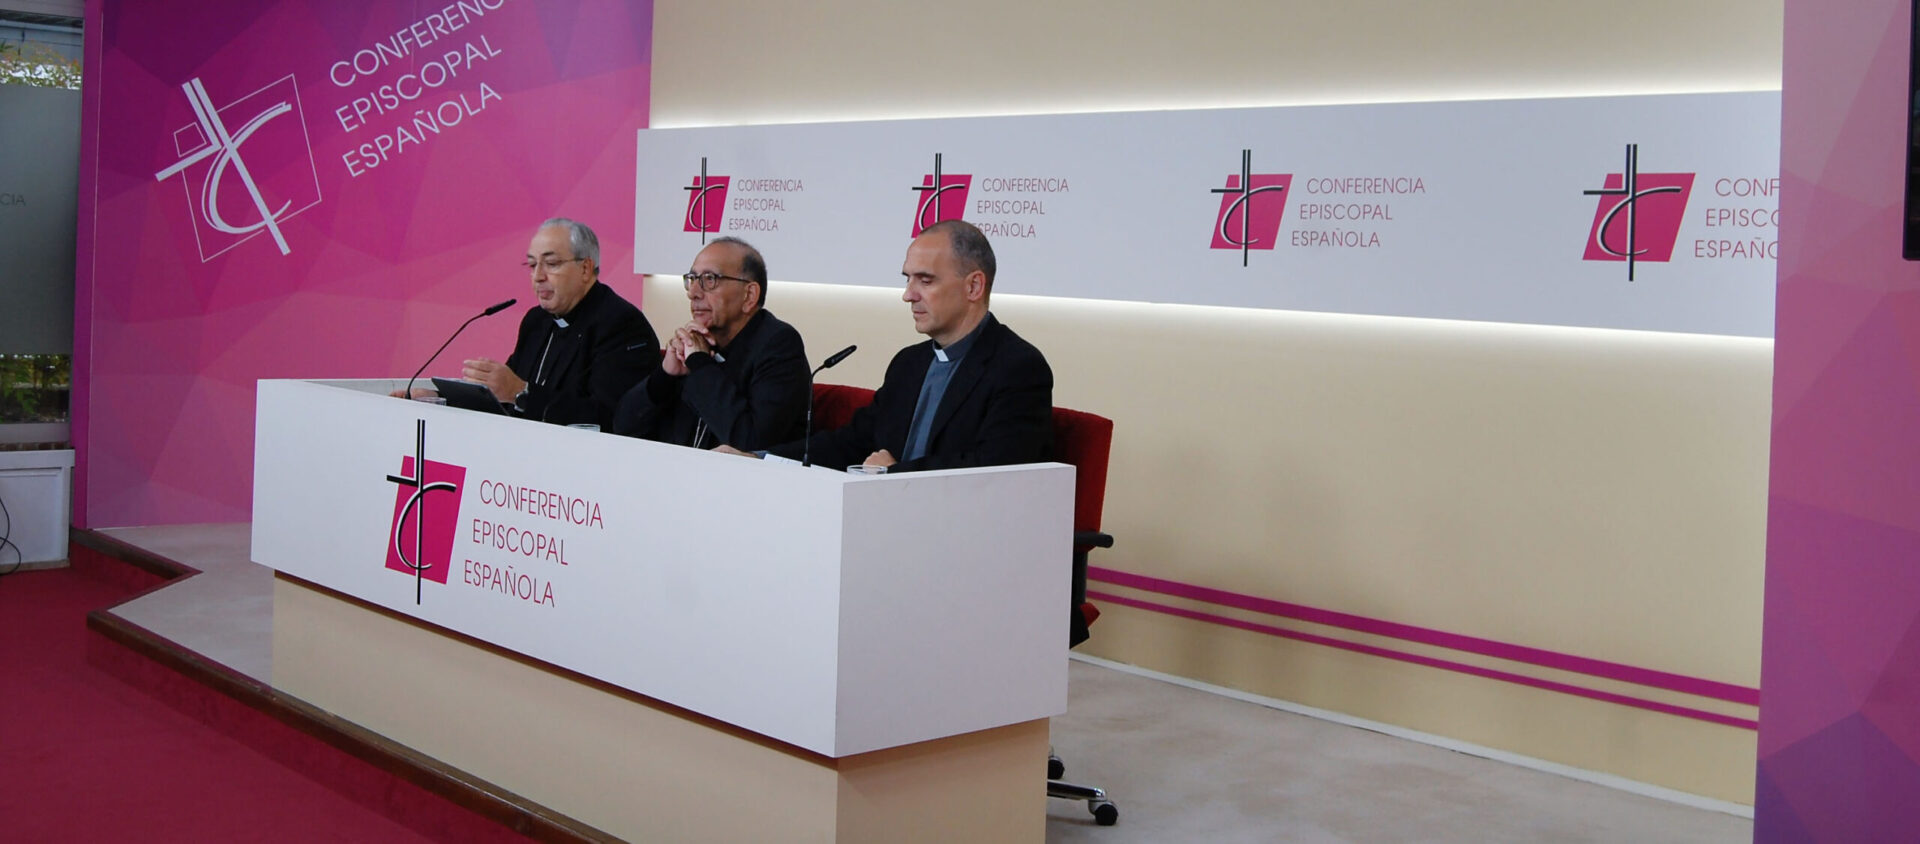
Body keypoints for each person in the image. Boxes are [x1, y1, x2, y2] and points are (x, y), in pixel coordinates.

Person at [735, 219, 1052, 472]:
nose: (908, 295)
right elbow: (854, 442)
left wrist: (895, 475)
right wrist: (759, 458)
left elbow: (995, 468)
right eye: (907, 279)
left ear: (974, 286)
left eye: (925, 281)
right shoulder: (908, 363)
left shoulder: (1017, 367)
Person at [611, 237, 810, 450]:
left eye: (710, 279)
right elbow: (623, 428)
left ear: (749, 295)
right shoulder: (695, 344)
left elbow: (749, 442)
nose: (693, 292)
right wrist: (664, 377)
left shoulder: (779, 346)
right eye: (692, 279)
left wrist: (700, 364)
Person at [461, 218, 659, 427]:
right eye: (532, 265)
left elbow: (608, 417)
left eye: (551, 264)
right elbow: (504, 395)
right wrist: (443, 398)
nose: (537, 276)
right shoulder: (536, 321)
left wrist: (521, 393)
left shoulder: (621, 324)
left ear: (585, 269)